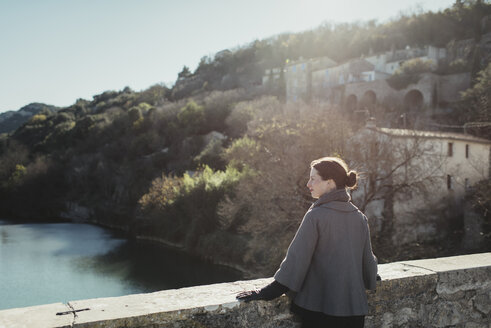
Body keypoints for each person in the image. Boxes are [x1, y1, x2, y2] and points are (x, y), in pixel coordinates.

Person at [236, 157, 378, 328]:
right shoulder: (359, 217)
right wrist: (372, 276)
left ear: (329, 183)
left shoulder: (316, 215)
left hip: (320, 311)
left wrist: (269, 291)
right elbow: (367, 259)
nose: (308, 184)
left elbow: (297, 260)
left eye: (313, 179)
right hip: (354, 311)